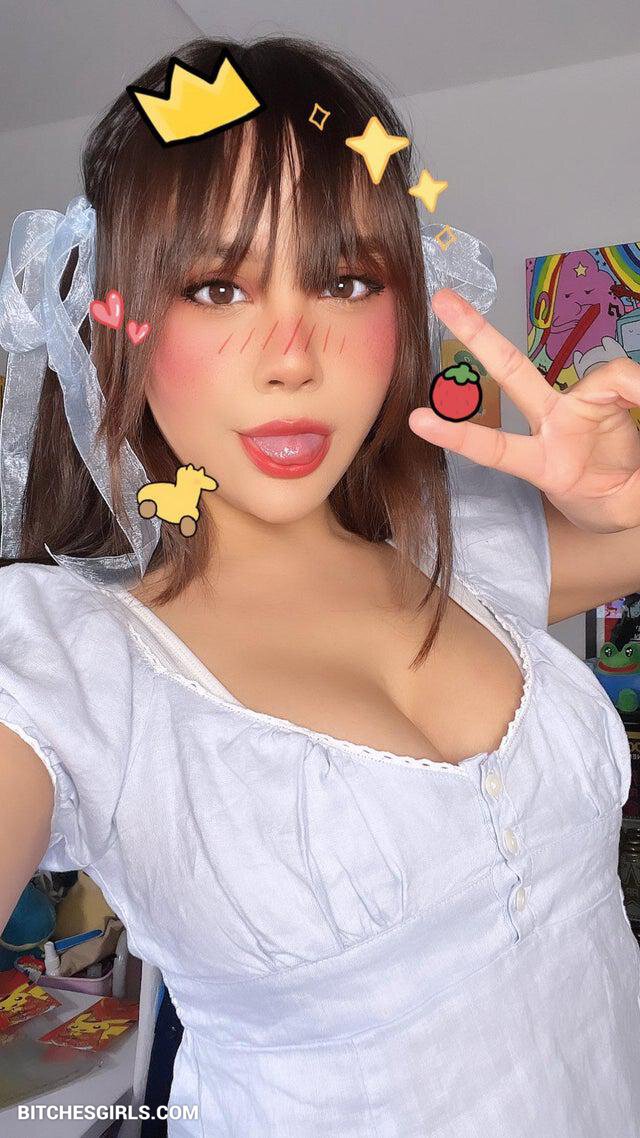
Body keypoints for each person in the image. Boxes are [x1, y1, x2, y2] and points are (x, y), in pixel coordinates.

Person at [1, 33, 640, 1138]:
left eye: (344, 281)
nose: (292, 355)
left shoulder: (462, 550)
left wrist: (619, 498)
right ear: (117, 324)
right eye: (216, 287)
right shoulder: (64, 669)